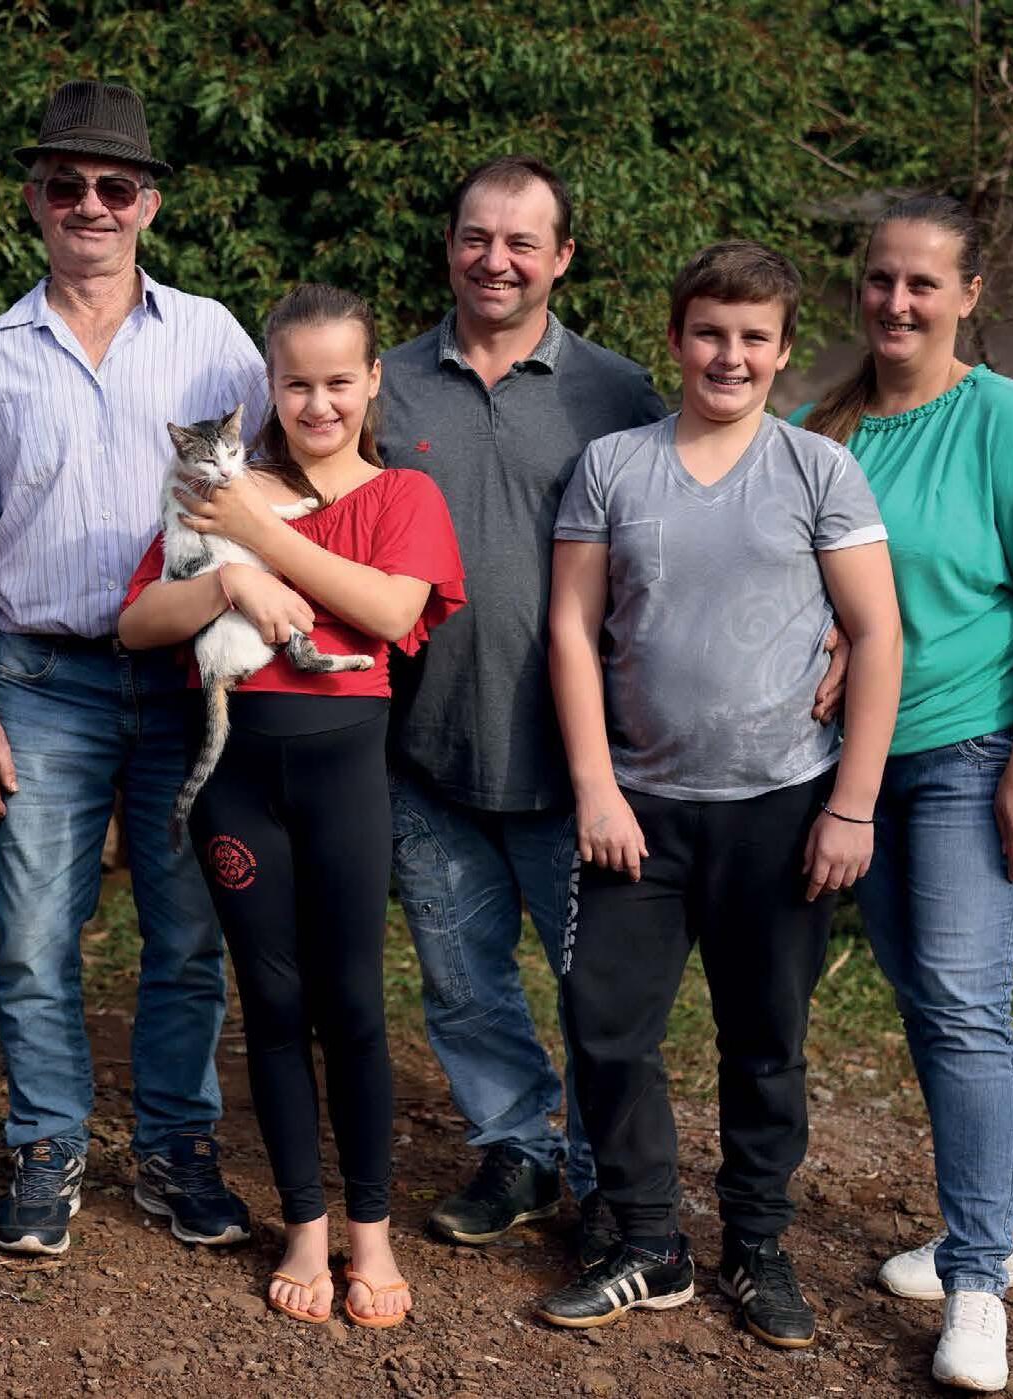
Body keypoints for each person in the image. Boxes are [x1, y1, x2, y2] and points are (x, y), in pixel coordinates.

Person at [0, 80, 268, 1257]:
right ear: (35, 200)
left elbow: (282, 487)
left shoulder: (214, 340)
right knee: (32, 935)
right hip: (42, 680)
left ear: (148, 204)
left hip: (185, 683)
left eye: (115, 185)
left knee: (187, 933)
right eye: (66, 184)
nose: (91, 205)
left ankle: (176, 1147)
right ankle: (46, 1144)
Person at [536, 243, 902, 1348]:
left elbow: (878, 632)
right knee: (606, 1028)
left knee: (765, 1037)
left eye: (753, 338)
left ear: (783, 352)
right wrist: (595, 788)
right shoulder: (613, 466)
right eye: (709, 333)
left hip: (780, 807)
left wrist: (852, 805)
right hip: (637, 809)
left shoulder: (817, 470)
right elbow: (571, 629)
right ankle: (649, 1241)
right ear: (676, 338)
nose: (729, 356)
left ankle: (757, 1241)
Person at [796, 196, 1013, 1392]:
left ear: (968, 296)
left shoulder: (1006, 419)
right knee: (930, 1003)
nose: (897, 302)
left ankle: (979, 1283)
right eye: (882, 278)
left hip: (972, 752)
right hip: (857, 767)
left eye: (924, 283)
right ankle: (994, 1222)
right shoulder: (826, 428)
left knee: (967, 1005)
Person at [121, 283, 466, 1327]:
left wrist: (258, 537)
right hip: (236, 777)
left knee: (351, 1003)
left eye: (339, 382)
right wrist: (227, 581)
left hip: (341, 771)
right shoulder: (225, 488)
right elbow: (137, 622)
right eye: (296, 383)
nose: (318, 404)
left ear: (374, 381)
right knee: (271, 1007)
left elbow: (390, 610)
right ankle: (306, 1225)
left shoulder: (401, 494)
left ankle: (372, 1230)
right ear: (268, 385)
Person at [373, 156, 664, 1250]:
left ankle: (605, 1175)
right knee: (461, 981)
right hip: (425, 748)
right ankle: (516, 1150)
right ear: (449, 244)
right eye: (475, 237)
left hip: (578, 760)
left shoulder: (618, 393)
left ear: (562, 258)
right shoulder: (387, 385)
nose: (494, 260)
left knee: (598, 989)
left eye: (521, 242)